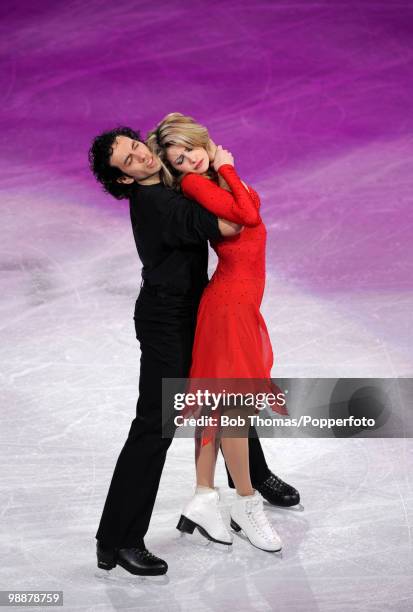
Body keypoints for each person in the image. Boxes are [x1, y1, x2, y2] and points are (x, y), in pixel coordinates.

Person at [88, 125, 300, 574]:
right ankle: (117, 539)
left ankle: (250, 480)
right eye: (129, 160)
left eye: (137, 147)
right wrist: (218, 174)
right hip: (167, 323)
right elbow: (231, 222)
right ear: (124, 179)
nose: (141, 157)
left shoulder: (161, 183)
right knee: (155, 426)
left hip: (188, 309)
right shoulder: (161, 202)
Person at [150, 113, 295, 553]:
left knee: (218, 404)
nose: (188, 161)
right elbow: (248, 214)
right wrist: (225, 166)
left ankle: (204, 496)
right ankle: (246, 506)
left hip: (237, 305)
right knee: (234, 408)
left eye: (190, 150)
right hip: (229, 306)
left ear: (201, 141)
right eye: (178, 160)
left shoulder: (209, 177)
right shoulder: (199, 184)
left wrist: (221, 166)